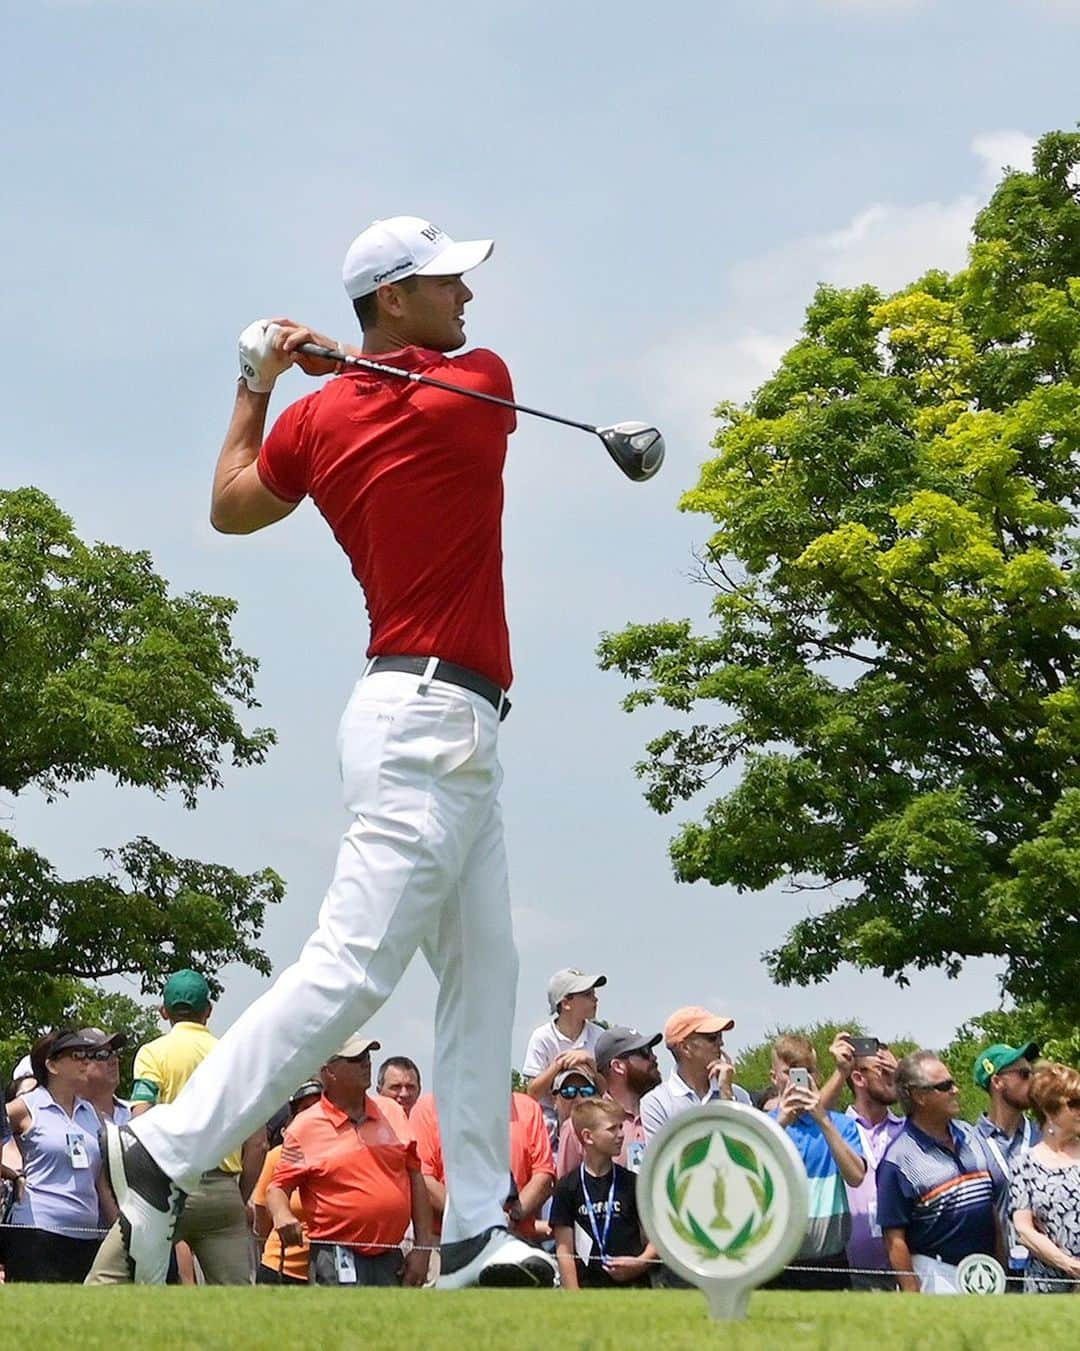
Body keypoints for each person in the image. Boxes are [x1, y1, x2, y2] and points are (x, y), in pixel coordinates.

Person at [102, 215, 554, 1290]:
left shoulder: (317, 417)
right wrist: (340, 365)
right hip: (427, 717)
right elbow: (429, 386)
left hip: (442, 721)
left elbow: (229, 504)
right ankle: (164, 1145)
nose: (469, 300)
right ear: (393, 298)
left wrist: (258, 380)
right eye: (447, 281)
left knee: (485, 976)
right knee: (352, 967)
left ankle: (481, 1228)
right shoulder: (474, 385)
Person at [87, 969, 266, 1286]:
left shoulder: (154, 1053)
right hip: (221, 1191)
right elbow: (258, 1143)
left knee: (105, 1280)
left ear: (163, 1012)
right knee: (238, 1301)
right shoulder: (235, 1057)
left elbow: (141, 1121)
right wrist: (238, 1195)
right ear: (208, 1011)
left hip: (165, 1187)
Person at [265, 1035, 432, 1287]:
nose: (366, 1063)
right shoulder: (304, 1127)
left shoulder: (392, 1112)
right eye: (355, 1059)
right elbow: (277, 1187)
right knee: (340, 1326)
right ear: (328, 1071)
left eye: (367, 1057)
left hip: (390, 1255)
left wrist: (422, 1248)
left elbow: (415, 1178)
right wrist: (282, 1214)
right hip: (334, 1256)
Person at [877, 1049, 1005, 1294]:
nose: (955, 1090)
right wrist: (912, 1293)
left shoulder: (970, 1135)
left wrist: (1001, 1265)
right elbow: (894, 1238)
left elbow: (990, 1207)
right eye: (945, 1086)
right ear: (919, 1096)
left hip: (986, 1273)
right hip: (936, 1276)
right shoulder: (898, 1159)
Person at [4, 1030, 117, 1282]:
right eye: (76, 1055)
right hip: (36, 1234)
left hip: (86, 1238)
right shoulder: (27, 1106)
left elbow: (100, 1182)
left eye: (87, 1055)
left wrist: (120, 1230)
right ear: (52, 1065)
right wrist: (12, 1174)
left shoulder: (92, 1115)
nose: (85, 1061)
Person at [765, 1034, 866, 1291]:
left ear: (817, 1076)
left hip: (830, 1263)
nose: (798, 1079)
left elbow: (856, 1176)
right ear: (774, 1077)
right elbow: (744, 1173)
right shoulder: (762, 1126)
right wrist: (783, 1121)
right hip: (774, 1263)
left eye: (807, 1071)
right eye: (789, 1072)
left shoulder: (841, 1124)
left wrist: (822, 1119)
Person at [411, 1089, 556, 1245]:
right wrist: (475, 1219)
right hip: (449, 1244)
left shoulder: (528, 1108)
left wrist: (512, 1216)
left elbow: (544, 1175)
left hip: (515, 1240)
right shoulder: (427, 1109)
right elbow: (424, 1180)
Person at [551, 1099, 656, 1290]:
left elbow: (656, 1239)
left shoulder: (633, 1183)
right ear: (588, 1137)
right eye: (612, 1129)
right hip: (588, 1289)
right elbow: (564, 1249)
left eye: (621, 1127)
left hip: (634, 1289)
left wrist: (640, 1263)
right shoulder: (567, 1187)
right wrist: (574, 1298)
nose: (621, 1135)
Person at [972, 1039, 1041, 1286]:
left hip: (1047, 1272)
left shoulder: (1044, 1137)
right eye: (1023, 1074)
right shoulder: (969, 1144)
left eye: (1032, 1073)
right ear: (997, 1082)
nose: (1032, 1080)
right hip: (993, 1275)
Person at [1009, 1061, 1080, 1293]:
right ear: (1050, 1111)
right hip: (1047, 1285)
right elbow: (1024, 1230)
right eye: (1075, 1104)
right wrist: (1070, 1266)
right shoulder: (1024, 1165)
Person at [556, 1027, 662, 1177]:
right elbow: (567, 1191)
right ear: (617, 1066)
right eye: (644, 1052)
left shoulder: (660, 1114)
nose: (653, 1058)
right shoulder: (579, 1124)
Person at [841, 1043, 903, 1289]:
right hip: (852, 1271)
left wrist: (903, 1075)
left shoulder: (907, 1130)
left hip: (906, 1268)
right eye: (882, 1071)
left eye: (893, 1072)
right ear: (858, 1078)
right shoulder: (838, 1129)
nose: (891, 1079)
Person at [252, 1079, 325, 1286]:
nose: (312, 1114)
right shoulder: (277, 1156)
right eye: (305, 1109)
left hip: (327, 1269)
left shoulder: (342, 1155)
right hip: (281, 1267)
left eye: (318, 1106)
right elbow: (262, 1211)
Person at [640, 1006, 751, 1140]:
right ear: (685, 1048)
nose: (721, 1043)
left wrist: (727, 1097)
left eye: (720, 1036)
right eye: (712, 1038)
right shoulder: (657, 1103)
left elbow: (748, 1152)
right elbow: (662, 1159)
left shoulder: (738, 1096)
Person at [522, 969, 606, 1129]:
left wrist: (590, 1063)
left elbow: (608, 1092)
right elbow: (533, 1093)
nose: (595, 999)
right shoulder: (542, 1037)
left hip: (592, 1119)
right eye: (587, 995)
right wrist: (559, 1065)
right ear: (566, 1003)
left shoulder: (599, 1036)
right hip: (549, 1123)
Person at [77, 1028, 131, 1126]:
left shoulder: (135, 1113)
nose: (114, 1060)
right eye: (103, 1054)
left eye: (114, 1053)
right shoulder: (69, 1120)